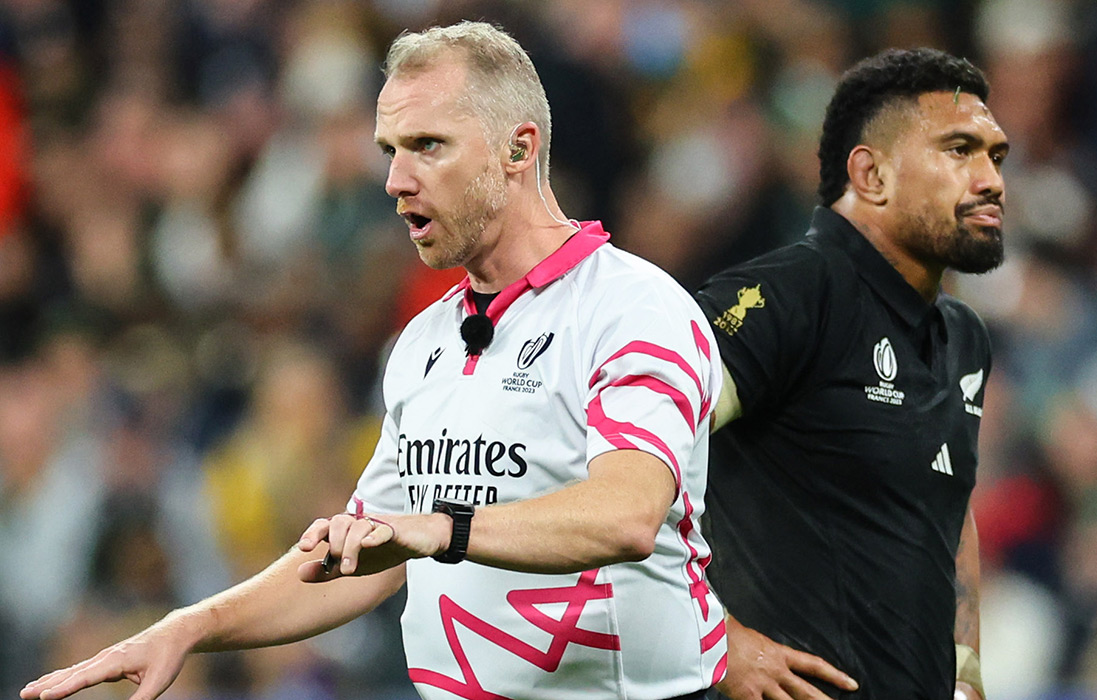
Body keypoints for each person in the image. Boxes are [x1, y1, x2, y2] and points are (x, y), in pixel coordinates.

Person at [23, 21, 726, 700]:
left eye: (427, 145)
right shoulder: (422, 344)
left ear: (518, 150)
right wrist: (191, 626)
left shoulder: (630, 307)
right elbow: (364, 563)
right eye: (390, 148)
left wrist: (440, 527)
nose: (394, 179)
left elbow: (629, 514)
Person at [695, 48, 1007, 700]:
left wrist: (967, 667)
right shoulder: (785, 299)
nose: (990, 181)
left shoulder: (964, 339)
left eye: (994, 156)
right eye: (958, 151)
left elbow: (948, 499)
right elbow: (627, 455)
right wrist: (713, 639)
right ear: (871, 175)